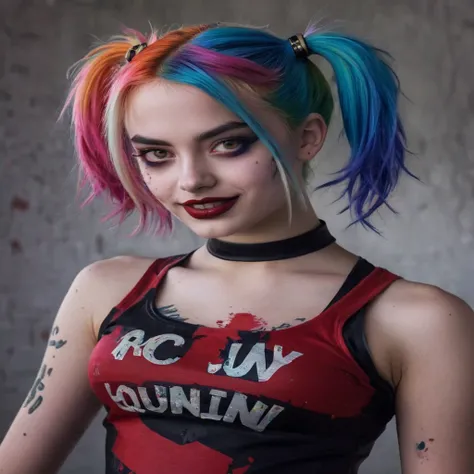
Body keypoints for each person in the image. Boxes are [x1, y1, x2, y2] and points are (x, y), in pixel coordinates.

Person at [0, 21, 472, 474]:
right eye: (157, 154)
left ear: (307, 136)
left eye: (228, 144)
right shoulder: (105, 290)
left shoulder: (416, 319)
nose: (192, 180)